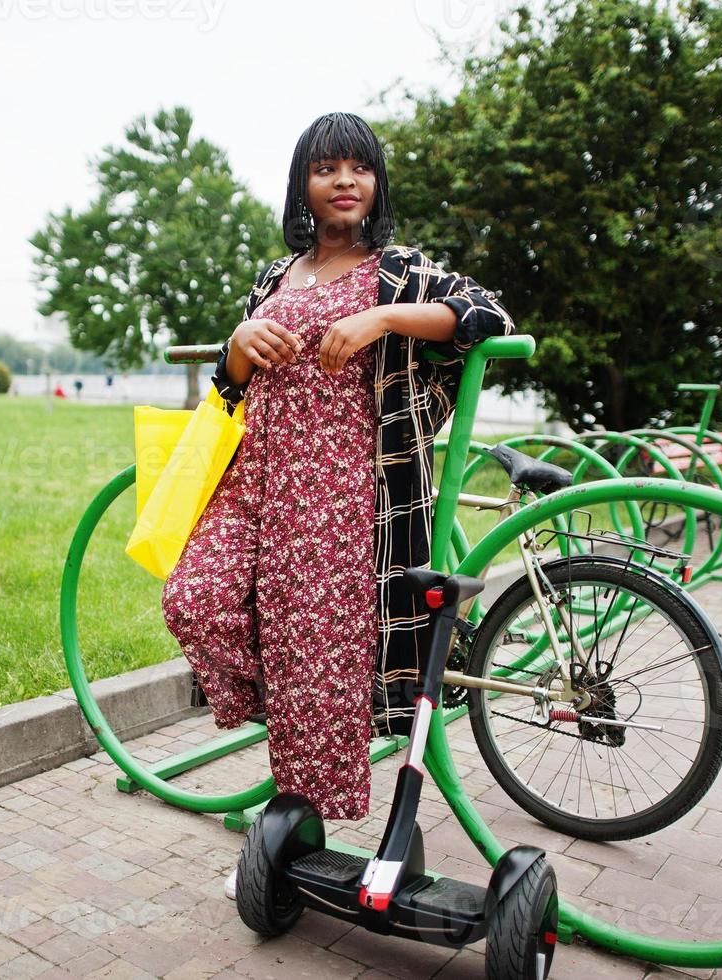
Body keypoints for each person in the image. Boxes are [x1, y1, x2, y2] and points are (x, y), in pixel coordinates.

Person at [158, 112, 513, 898]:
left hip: (344, 495)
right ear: (304, 186)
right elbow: (229, 387)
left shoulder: (398, 271)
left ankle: (287, 835)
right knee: (192, 598)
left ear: (375, 182)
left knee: (313, 664)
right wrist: (239, 346)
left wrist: (381, 317)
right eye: (326, 169)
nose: (343, 181)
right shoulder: (273, 277)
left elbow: (489, 316)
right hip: (256, 480)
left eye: (358, 167)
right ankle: (294, 712)